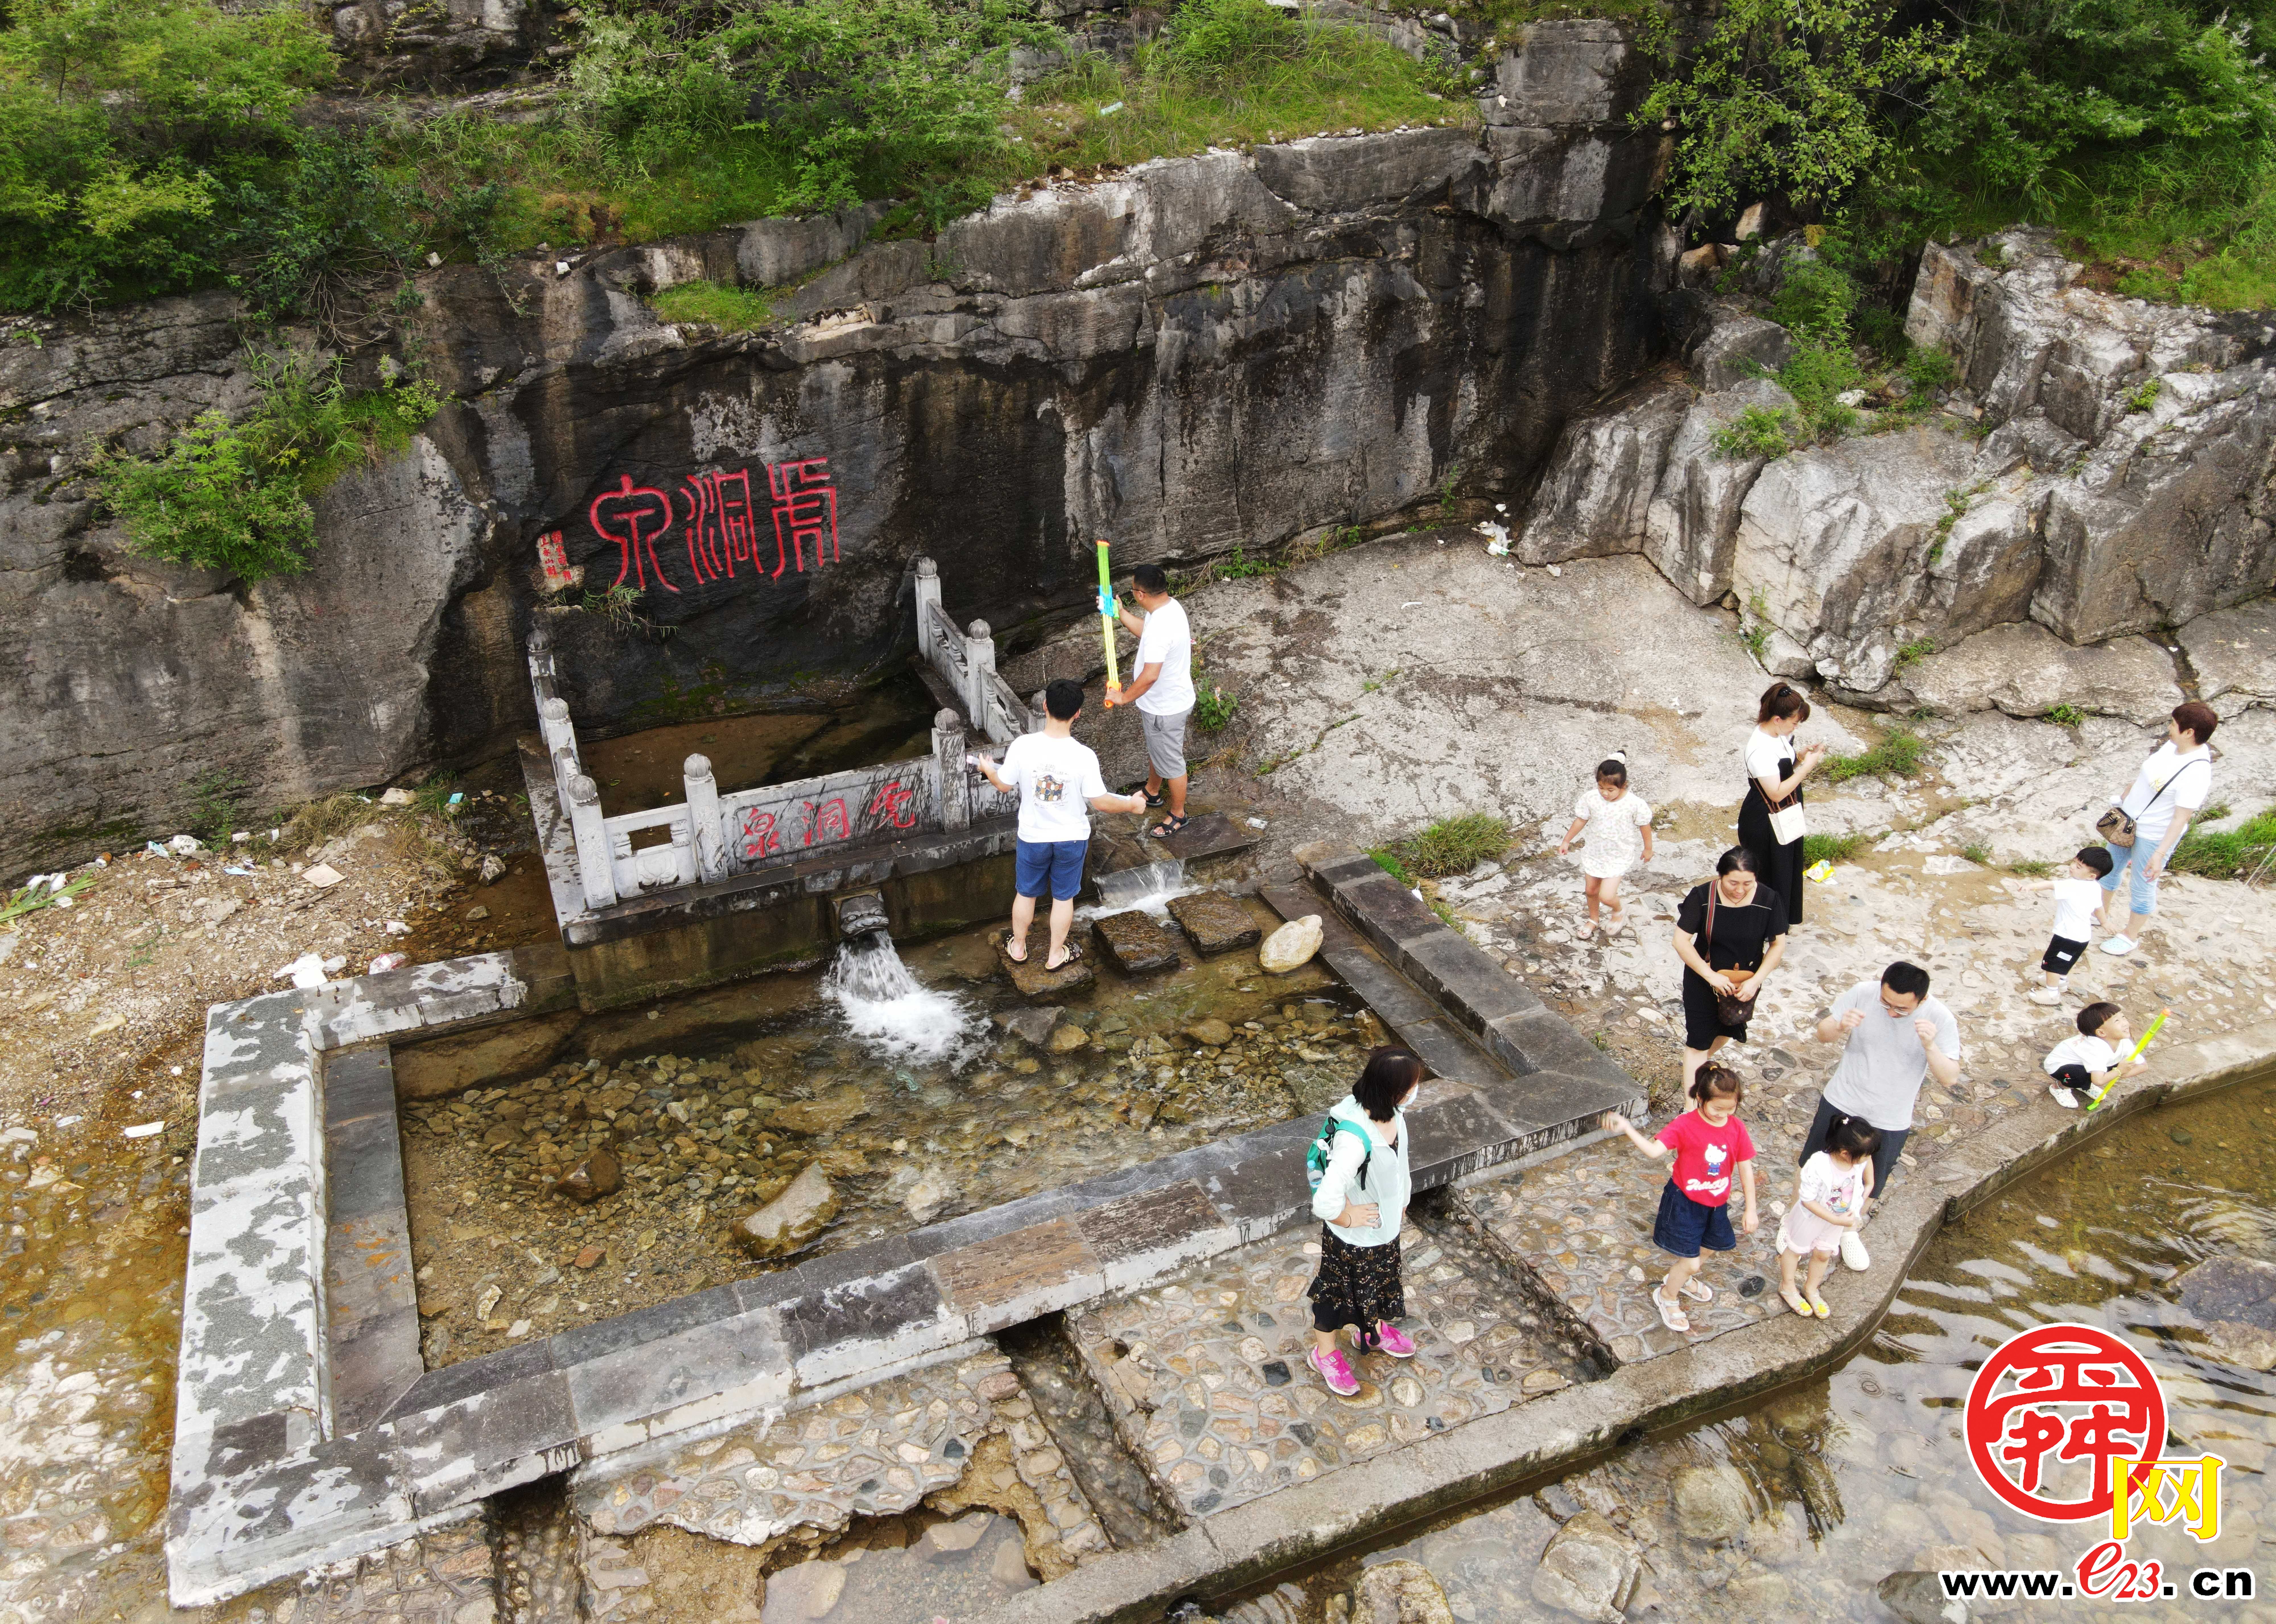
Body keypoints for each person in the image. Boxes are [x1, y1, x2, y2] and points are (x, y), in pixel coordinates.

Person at [973, 677, 1146, 971]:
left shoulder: (1023, 746)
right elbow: (1101, 802)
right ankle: (1055, 955)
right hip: (1071, 838)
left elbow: (1003, 785)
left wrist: (988, 769)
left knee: (1026, 893)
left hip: (1033, 836)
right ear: (1078, 713)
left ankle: (1018, 947)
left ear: (1045, 706)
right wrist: (1131, 804)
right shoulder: (1084, 756)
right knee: (1064, 897)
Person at [1802, 961, 1961, 1271]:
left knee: (1871, 1184)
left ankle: (1848, 1231)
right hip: (1843, 1099)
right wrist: (1840, 1026)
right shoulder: (1863, 992)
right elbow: (1822, 1035)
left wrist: (1930, 1046)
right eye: (1886, 1004)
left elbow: (1950, 1078)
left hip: (1890, 1116)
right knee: (1811, 1163)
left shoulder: (1940, 1018)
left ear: (1922, 1001)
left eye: (1901, 1009)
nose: (1891, 1013)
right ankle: (1797, 1217)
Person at [1601, 1065, 1758, 1335]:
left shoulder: (1737, 1128)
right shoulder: (1685, 1125)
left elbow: (1746, 1168)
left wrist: (1751, 1209)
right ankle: (1667, 1295)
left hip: (1716, 1204)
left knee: (1708, 1249)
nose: (1723, 1115)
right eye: (1717, 1108)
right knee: (1692, 1262)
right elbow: (1654, 1151)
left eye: (1730, 1109)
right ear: (1700, 1098)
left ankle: (1682, 1279)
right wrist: (1627, 1127)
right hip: (1685, 1202)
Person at [1306, 1046, 1424, 1396]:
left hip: (1383, 1231)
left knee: (1378, 1283)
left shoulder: (1392, 1112)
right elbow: (1324, 1201)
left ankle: (1370, 1330)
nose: (1416, 1090)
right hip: (1353, 1240)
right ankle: (1324, 1354)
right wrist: (1347, 1217)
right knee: (1335, 1295)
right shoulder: (1354, 1140)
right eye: (1412, 1085)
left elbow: (1399, 1162)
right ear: (1395, 1090)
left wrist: (1402, 1201)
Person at [2096, 701, 2219, 956]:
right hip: (2127, 824)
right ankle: (2101, 914)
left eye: (2173, 724)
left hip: (2154, 836)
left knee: (2142, 885)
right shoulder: (2172, 747)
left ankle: (2130, 936)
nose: (2169, 728)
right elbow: (2145, 777)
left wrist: (2159, 854)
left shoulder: (2197, 772)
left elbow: (2180, 818)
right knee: (2108, 869)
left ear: (2189, 732)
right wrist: (2123, 799)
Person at [1672, 847, 1789, 1096]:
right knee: (1698, 1041)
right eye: (1733, 883)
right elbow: (1680, 941)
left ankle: (1697, 1065)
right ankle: (1691, 1105)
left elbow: (1778, 944)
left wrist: (1756, 981)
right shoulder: (1703, 896)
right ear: (1721, 876)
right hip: (1703, 979)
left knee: (1727, 1028)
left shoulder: (1769, 899)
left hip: (1743, 984)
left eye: (1748, 883)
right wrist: (1711, 976)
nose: (1739, 890)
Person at [1104, 563, 1196, 840]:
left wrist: (1123, 697)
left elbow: (1150, 675)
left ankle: (1178, 814)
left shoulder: (1161, 625)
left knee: (1172, 763)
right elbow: (1148, 632)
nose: (1133, 594)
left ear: (1141, 594)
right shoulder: (1169, 608)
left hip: (1165, 708)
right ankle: (1152, 792)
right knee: (1159, 750)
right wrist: (1121, 613)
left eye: (1132, 590)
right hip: (1168, 701)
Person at [1738, 682, 1828, 925]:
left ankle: (1779, 922)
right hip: (1766, 820)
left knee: (1786, 868)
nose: (1795, 727)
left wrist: (1799, 756)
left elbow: (1783, 769)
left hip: (1785, 812)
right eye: (1795, 723)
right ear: (1778, 719)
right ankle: (1763, 926)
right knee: (1771, 873)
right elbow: (1776, 793)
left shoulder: (1777, 735)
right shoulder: (1760, 750)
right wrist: (1807, 768)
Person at [1777, 1115, 1878, 1319]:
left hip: (1836, 1221)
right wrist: (1837, 1220)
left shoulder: (1858, 1161)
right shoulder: (1818, 1165)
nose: (1868, 1159)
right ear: (1845, 1153)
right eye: (1866, 1156)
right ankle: (1787, 1286)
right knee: (1795, 1250)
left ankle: (1811, 1288)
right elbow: (1807, 1200)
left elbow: (1869, 1181)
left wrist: (1863, 1196)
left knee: (1824, 1254)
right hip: (1811, 1219)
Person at [1556, 751, 1656, 936]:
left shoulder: (1634, 804)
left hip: (1618, 855)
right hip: (1595, 852)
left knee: (1607, 896)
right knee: (1591, 890)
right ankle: (1594, 919)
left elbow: (1645, 826)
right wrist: (1567, 841)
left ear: (1623, 786)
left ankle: (1619, 910)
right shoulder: (1591, 798)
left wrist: (1648, 848)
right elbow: (1581, 820)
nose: (1605, 793)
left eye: (1611, 790)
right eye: (1601, 787)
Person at [2020, 846, 2116, 1004]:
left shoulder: (2072, 886)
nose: (2072, 867)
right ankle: (2061, 981)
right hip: (2083, 937)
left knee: (2052, 965)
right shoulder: (2095, 887)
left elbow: (2050, 885)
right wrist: (2104, 922)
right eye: (2074, 862)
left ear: (2092, 876)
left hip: (2067, 936)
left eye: (2079, 867)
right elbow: (2099, 908)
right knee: (2066, 961)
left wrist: (2030, 887)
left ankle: (2052, 994)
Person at [2042, 1001, 2146, 1110]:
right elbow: (2099, 1081)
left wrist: (2122, 1073)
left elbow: (2143, 1066)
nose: (2125, 1023)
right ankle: (2060, 1087)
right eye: (2117, 1021)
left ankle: (2084, 1085)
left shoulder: (2124, 1042)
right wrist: (2119, 1071)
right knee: (2081, 1076)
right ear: (2101, 1033)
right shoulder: (2095, 1049)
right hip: (2059, 1066)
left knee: (2115, 1065)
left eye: (2123, 1017)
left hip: (2084, 1064)